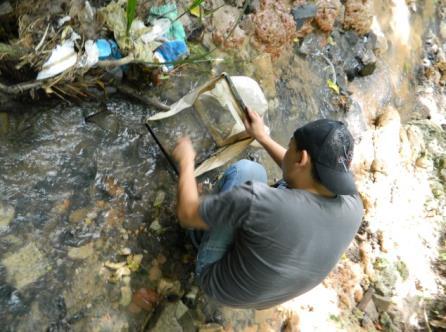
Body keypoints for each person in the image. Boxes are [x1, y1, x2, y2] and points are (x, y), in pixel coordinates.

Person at [172, 110, 363, 309]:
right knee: (270, 190)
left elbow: (186, 213)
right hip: (263, 298)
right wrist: (262, 137)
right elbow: (299, 171)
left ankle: (197, 236)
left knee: (248, 171)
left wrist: (187, 162)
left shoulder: (260, 202)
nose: (287, 151)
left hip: (217, 283)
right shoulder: (354, 206)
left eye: (290, 147)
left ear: (302, 159)